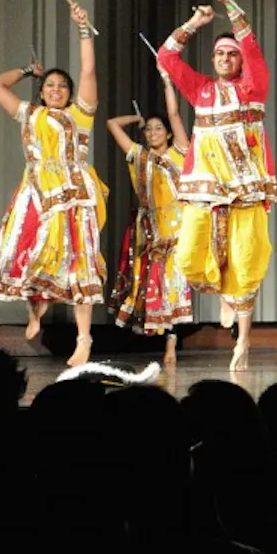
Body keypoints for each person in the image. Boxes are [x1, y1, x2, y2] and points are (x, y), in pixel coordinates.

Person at [158, 0, 276, 372]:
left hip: (245, 190)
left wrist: (228, 3)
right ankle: (224, 290)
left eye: (232, 54)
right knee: (189, 256)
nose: (226, 57)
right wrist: (195, 22)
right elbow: (167, 56)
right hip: (204, 190)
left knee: (245, 260)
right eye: (220, 53)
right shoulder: (201, 90)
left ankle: (242, 341)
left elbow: (251, 44)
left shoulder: (253, 86)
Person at [0, 2, 108, 366]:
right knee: (27, 255)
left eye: (62, 86)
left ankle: (84, 340)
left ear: (71, 94)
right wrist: (27, 71)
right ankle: (35, 310)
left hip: (73, 197)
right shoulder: (30, 114)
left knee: (81, 265)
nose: (56, 89)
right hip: (37, 195)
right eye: (50, 85)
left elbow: (87, 68)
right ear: (42, 92)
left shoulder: (79, 115)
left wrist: (83, 28)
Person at [105, 65, 193, 363]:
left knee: (175, 285)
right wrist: (136, 119)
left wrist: (168, 81)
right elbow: (112, 124)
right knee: (151, 283)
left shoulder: (180, 152)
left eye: (158, 128)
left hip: (178, 230)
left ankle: (172, 343)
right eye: (148, 129)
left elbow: (176, 114)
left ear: (168, 133)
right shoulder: (138, 156)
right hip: (149, 230)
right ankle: (160, 338)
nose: (153, 132)